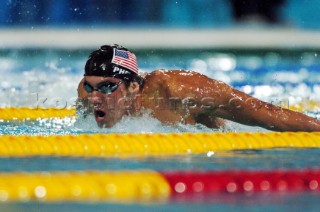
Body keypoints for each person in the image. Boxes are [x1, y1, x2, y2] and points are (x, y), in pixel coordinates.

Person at [77, 44, 320, 131]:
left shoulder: (177, 91)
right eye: (90, 87)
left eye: (107, 87)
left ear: (132, 88)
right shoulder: (86, 93)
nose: (95, 98)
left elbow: (265, 112)